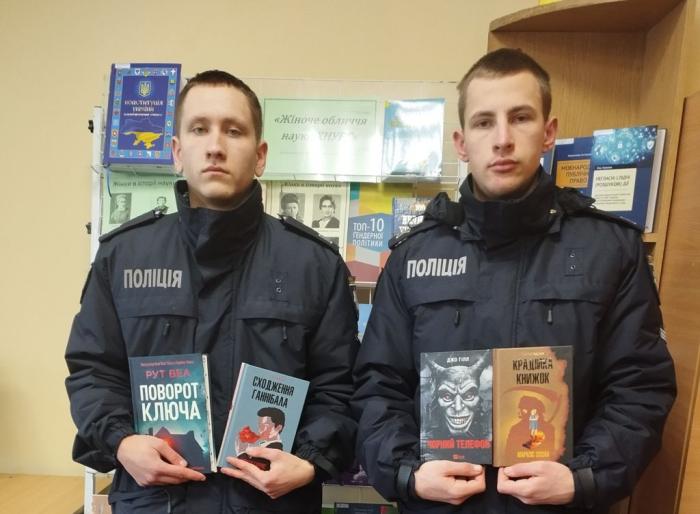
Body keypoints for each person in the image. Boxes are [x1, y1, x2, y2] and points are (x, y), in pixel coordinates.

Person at [351, 48, 676, 514]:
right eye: (484, 122)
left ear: (548, 133)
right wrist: (409, 472)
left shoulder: (610, 249)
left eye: (520, 118)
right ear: (461, 143)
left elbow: (639, 387)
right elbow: (378, 385)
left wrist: (583, 476)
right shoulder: (413, 256)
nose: (502, 139)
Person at [66, 70, 359, 514]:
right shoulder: (123, 256)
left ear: (260, 156)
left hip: (272, 503)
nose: (216, 146)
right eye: (199, 129)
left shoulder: (313, 264)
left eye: (234, 131)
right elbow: (93, 370)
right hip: (156, 503)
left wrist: (309, 461)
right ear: (176, 152)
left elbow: (340, 384)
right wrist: (122, 442)